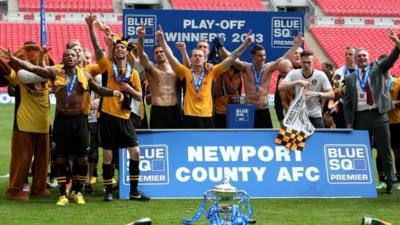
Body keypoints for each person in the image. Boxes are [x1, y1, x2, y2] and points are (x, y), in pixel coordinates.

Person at [0, 47, 122, 205]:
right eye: (66, 55)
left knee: (82, 159)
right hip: (62, 120)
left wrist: (114, 93)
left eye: (72, 55)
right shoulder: (55, 71)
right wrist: (13, 59)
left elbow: (98, 89)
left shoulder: (84, 74)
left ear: (77, 59)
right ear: (62, 58)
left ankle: (76, 192)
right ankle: (63, 194)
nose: (70, 57)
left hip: (80, 120)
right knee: (60, 158)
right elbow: (33, 68)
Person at [157, 26, 252, 128]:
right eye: (195, 56)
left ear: (204, 59)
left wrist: (245, 44)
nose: (198, 57)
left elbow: (232, 57)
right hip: (189, 116)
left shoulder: (212, 71)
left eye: (200, 56)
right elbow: (171, 57)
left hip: (207, 116)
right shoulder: (184, 72)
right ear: (191, 59)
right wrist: (162, 40)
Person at [343, 29, 400, 194]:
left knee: (385, 149)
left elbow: (392, 58)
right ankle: (364, 182)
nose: (362, 58)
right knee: (361, 151)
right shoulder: (350, 78)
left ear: (369, 58)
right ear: (354, 59)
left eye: (364, 56)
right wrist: (348, 123)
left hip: (378, 115)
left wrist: (396, 42)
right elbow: (347, 104)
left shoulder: (377, 68)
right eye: (359, 56)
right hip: (360, 117)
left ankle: (391, 181)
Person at [0, 43, 52, 200]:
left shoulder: (48, 80)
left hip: (43, 126)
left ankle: (39, 187)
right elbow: (5, 70)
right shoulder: (19, 79)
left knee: (43, 160)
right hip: (24, 126)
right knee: (21, 159)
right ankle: (15, 189)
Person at [220, 34, 304, 128]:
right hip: (250, 112)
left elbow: (283, 58)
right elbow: (231, 58)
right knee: (248, 138)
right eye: (260, 56)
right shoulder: (245, 67)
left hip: (264, 111)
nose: (263, 58)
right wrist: (221, 47)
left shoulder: (268, 68)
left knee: (265, 138)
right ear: (253, 55)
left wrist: (296, 45)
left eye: (264, 55)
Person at [136, 26, 181, 128]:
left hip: (174, 109)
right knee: (159, 142)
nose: (159, 54)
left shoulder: (175, 68)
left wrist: (162, 39)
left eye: (161, 52)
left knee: (176, 140)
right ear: (154, 56)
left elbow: (182, 63)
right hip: (158, 110)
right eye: (156, 53)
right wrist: (140, 38)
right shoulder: (151, 68)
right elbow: (141, 55)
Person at [278, 50, 335, 128]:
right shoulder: (294, 73)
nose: (306, 65)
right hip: (298, 115)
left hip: (315, 115)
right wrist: (298, 81)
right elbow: (280, 87)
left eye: (309, 62)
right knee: (296, 140)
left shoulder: (320, 75)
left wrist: (315, 94)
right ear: (300, 62)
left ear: (313, 62)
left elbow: (332, 94)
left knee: (319, 139)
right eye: (304, 62)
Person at [332, 46, 357, 128]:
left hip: (358, 108)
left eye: (350, 54)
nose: (347, 56)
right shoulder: (338, 72)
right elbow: (335, 92)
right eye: (346, 54)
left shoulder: (362, 72)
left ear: (356, 56)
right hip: (342, 108)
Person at [274, 59, 293, 127]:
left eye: (285, 73)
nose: (283, 75)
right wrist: (281, 118)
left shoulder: (301, 75)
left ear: (292, 68)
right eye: (281, 73)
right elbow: (279, 100)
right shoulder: (281, 79)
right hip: (290, 117)